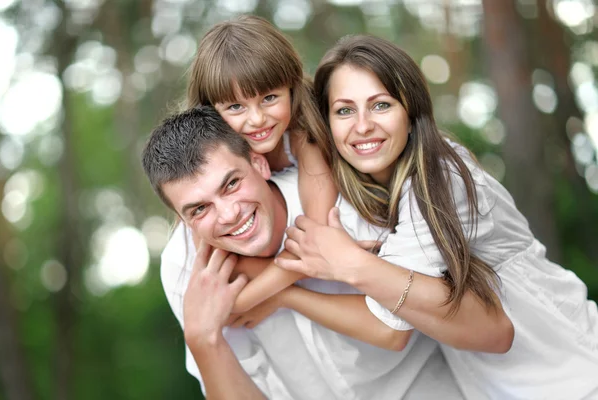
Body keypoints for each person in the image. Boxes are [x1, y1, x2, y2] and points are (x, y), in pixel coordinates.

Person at [273, 34, 598, 399]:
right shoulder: (365, 197)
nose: (362, 126)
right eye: (345, 110)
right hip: (501, 389)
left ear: (411, 114)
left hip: (577, 374)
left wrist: (342, 265)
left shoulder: (443, 176)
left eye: (380, 105)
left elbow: (389, 325)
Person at [142, 105, 471, 399]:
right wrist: (203, 340)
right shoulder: (185, 267)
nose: (229, 215)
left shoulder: (344, 201)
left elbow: (397, 326)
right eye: (199, 209)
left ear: (258, 164)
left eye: (231, 184)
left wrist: (284, 293)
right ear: (183, 220)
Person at [184, 15, 336, 314]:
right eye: (236, 106)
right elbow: (219, 258)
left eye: (269, 98)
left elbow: (318, 242)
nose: (256, 119)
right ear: (209, 111)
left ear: (291, 88)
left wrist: (242, 302)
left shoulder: (304, 137)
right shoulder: (209, 168)